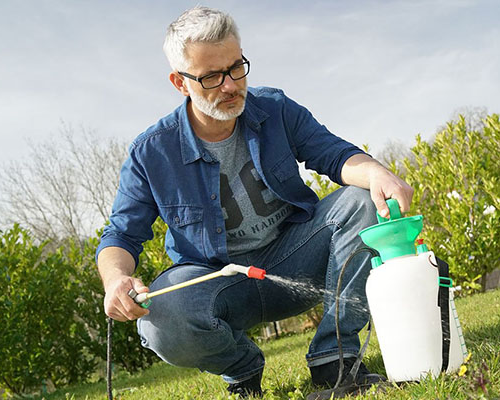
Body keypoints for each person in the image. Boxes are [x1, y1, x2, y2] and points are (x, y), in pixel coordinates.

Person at [96, 6, 413, 398]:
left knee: (362, 199)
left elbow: (335, 155)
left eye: (236, 67)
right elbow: (121, 237)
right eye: (212, 77)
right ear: (180, 82)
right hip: (223, 286)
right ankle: (243, 369)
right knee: (161, 318)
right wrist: (115, 280)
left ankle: (335, 358)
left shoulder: (275, 109)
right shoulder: (151, 153)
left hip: (297, 260)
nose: (230, 85)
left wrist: (376, 173)